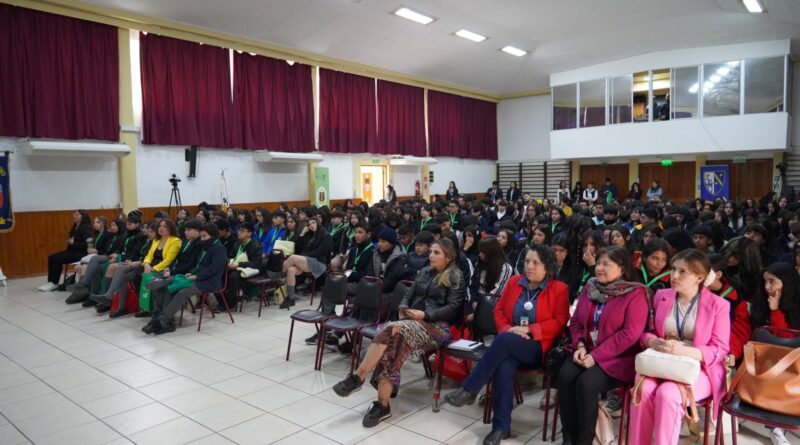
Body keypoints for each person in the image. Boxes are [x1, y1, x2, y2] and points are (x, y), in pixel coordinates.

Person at [331, 238, 465, 428]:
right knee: (393, 339)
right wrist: (403, 307)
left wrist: (425, 314)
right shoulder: (425, 272)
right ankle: (381, 404)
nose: (431, 256)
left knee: (393, 330)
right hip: (411, 322)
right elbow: (409, 294)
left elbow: (452, 308)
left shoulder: (456, 276)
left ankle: (359, 378)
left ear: (449, 257)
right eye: (431, 251)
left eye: (436, 253)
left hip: (437, 327)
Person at [445, 246, 570, 445]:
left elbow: (560, 321)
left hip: (538, 347)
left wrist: (530, 329)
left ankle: (470, 389)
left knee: (503, 345)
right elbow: (499, 311)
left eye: (535, 263)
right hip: (509, 342)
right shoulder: (514, 282)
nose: (529, 266)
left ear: (547, 267)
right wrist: (508, 331)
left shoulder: (559, 289)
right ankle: (500, 428)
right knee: (504, 365)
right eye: (527, 261)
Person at [629, 249, 730, 445]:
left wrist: (682, 350)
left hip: (699, 369)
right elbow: (646, 332)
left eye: (682, 272)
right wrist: (653, 342)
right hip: (660, 362)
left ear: (699, 277)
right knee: (644, 389)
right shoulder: (662, 296)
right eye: (673, 269)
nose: (673, 276)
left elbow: (720, 349)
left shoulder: (719, 305)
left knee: (668, 394)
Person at [558, 246, 649, 445]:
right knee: (565, 376)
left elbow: (630, 334)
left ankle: (585, 438)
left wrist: (596, 356)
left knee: (587, 383)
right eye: (598, 262)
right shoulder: (590, 286)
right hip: (587, 349)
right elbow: (577, 322)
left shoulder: (635, 293)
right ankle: (568, 435)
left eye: (606, 264)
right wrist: (580, 345)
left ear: (622, 268)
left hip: (619, 357)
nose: (599, 268)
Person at [144, 222, 228, 335]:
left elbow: (214, 269)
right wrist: (192, 273)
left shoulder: (218, 249)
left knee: (182, 293)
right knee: (171, 287)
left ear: (212, 235)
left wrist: (197, 276)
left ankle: (162, 320)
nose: (202, 239)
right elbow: (199, 265)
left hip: (209, 282)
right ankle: (161, 318)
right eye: (201, 236)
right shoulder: (207, 246)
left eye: (204, 236)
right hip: (199, 278)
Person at [280, 218, 332, 308]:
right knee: (290, 270)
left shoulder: (326, 235)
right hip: (307, 261)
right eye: (309, 224)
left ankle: (278, 276)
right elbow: (298, 248)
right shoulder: (308, 234)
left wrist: (303, 256)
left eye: (313, 223)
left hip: (319, 263)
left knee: (292, 257)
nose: (311, 225)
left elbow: (319, 252)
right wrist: (302, 234)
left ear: (318, 223)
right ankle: (290, 298)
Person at [40, 210, 95, 292]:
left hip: (80, 254)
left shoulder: (86, 228)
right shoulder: (75, 226)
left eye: (77, 214)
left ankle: (54, 283)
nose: (74, 215)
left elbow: (86, 245)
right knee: (51, 257)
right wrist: (70, 242)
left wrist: (74, 243)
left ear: (83, 217)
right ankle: (50, 281)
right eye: (74, 214)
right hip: (72, 251)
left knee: (57, 259)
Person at [224, 223, 263, 308]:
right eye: (239, 230)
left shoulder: (256, 245)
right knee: (223, 272)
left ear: (249, 233)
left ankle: (230, 304)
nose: (239, 233)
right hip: (237, 267)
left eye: (242, 231)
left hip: (250, 270)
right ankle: (222, 299)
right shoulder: (237, 244)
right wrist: (229, 262)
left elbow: (256, 264)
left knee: (233, 277)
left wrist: (238, 264)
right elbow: (232, 256)